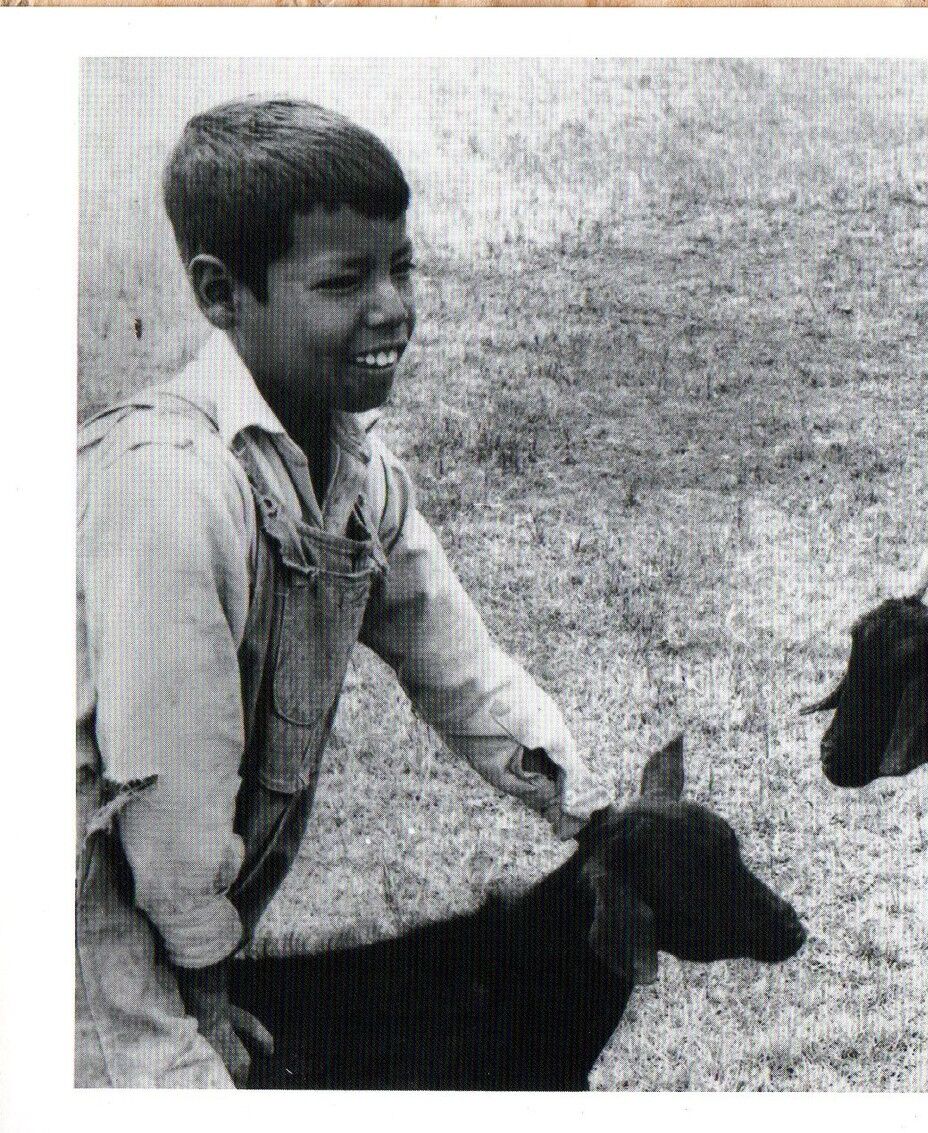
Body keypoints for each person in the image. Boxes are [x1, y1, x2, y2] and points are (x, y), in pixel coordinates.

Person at [75, 97, 610, 1088]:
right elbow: (167, 789)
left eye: (400, 265)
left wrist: (593, 806)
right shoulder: (172, 483)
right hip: (79, 927)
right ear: (220, 293)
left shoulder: (355, 474)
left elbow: (459, 664)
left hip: (164, 914)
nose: (392, 306)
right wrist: (199, 979)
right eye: (342, 279)